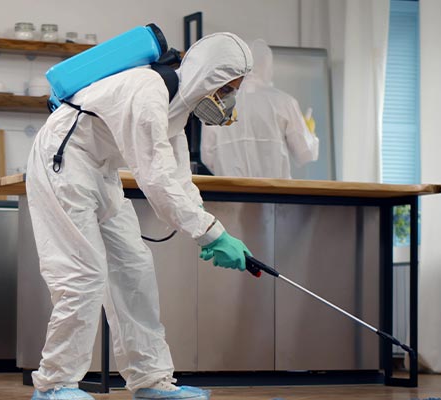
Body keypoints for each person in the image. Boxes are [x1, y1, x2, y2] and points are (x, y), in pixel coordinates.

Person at [26, 33, 254, 400]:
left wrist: (209, 227)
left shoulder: (175, 106)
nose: (228, 98)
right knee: (83, 274)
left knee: (134, 268)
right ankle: (55, 384)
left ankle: (150, 380)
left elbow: (178, 176)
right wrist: (210, 234)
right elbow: (157, 180)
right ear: (209, 76)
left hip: (98, 171)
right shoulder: (148, 92)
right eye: (228, 88)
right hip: (63, 159)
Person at [200, 39, 319, 178]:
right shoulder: (284, 102)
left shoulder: (217, 104)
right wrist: (310, 134)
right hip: (273, 195)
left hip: (230, 194)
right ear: (267, 66)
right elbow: (304, 154)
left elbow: (207, 158)